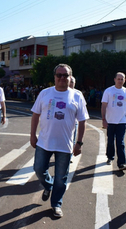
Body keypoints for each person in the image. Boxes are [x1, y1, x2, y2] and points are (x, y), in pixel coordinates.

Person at [30, 64, 89, 218]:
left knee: (61, 179)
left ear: (70, 77)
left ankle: (56, 204)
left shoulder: (77, 95)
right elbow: (35, 114)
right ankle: (48, 185)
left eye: (65, 75)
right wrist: (32, 135)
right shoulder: (45, 93)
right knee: (38, 169)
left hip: (65, 145)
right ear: (54, 77)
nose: (62, 78)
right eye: (59, 75)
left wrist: (79, 143)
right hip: (44, 142)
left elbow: (82, 121)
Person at [101, 72, 126, 170]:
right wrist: (104, 119)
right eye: (118, 79)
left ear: (124, 80)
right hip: (110, 121)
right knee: (110, 141)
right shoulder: (109, 91)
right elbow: (104, 105)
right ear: (114, 79)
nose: (120, 81)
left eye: (122, 79)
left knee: (120, 142)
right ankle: (110, 157)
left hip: (121, 121)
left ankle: (121, 163)